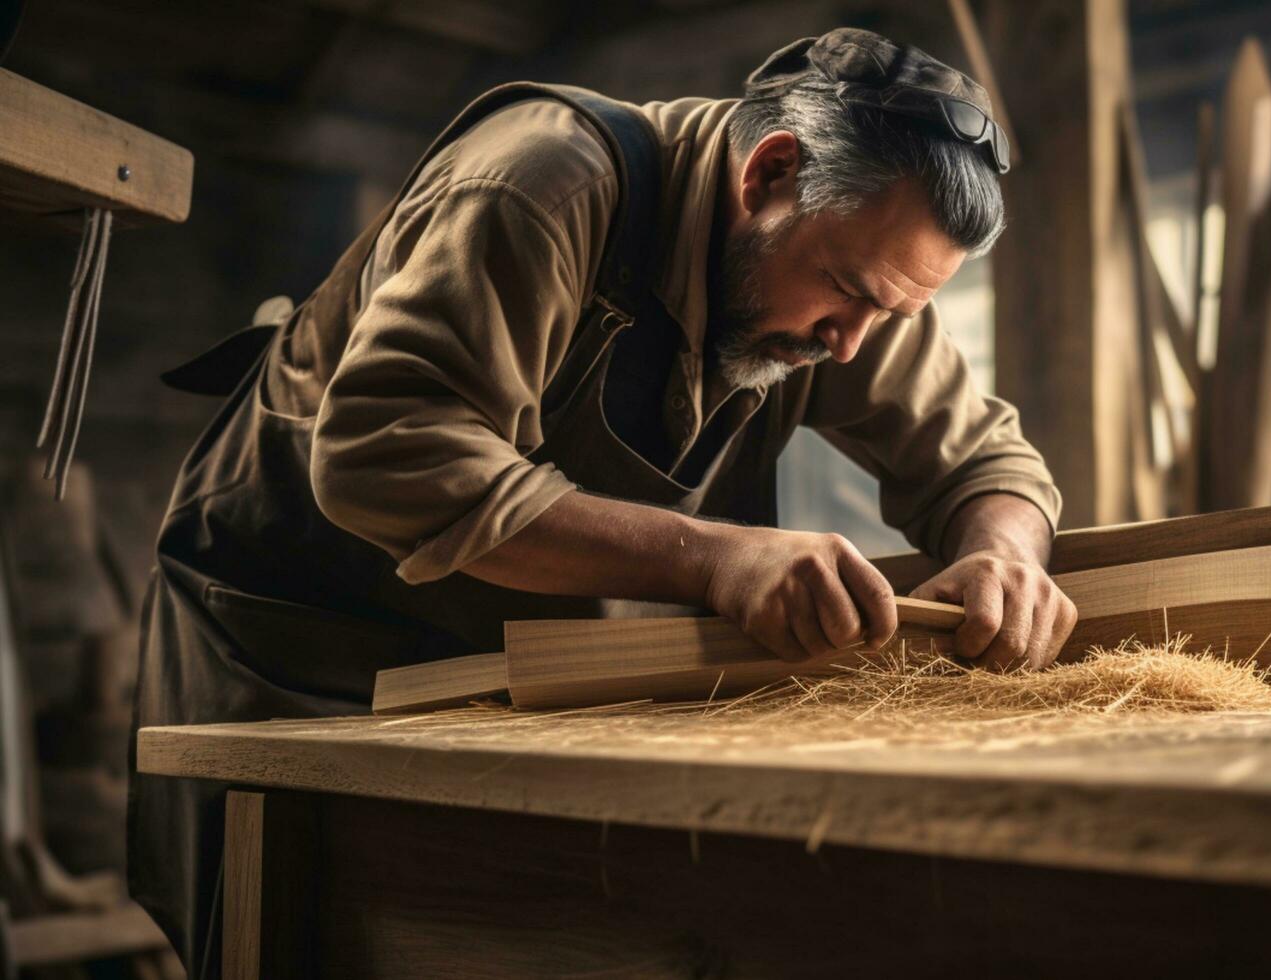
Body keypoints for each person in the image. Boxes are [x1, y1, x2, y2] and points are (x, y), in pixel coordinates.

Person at [131, 27, 1076, 974]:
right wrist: (713, 557)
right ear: (769, 173)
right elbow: (392, 456)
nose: (850, 348)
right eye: (845, 291)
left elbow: (986, 462)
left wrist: (1006, 555)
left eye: (891, 313)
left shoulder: (848, 269)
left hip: (501, 682)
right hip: (305, 658)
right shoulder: (541, 185)